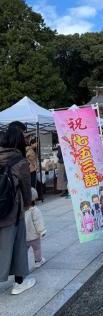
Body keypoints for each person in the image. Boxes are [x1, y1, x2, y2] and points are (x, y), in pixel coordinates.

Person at [0, 124, 36, 295]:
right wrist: (28, 204)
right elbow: (26, 187)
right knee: (18, 245)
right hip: (12, 211)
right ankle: (19, 283)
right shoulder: (19, 160)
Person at [25, 187, 46, 268]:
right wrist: (42, 231)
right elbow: (38, 221)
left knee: (23, 252)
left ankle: (22, 264)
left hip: (24, 237)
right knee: (37, 249)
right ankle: (38, 261)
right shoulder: (34, 210)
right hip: (34, 236)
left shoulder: (21, 210)